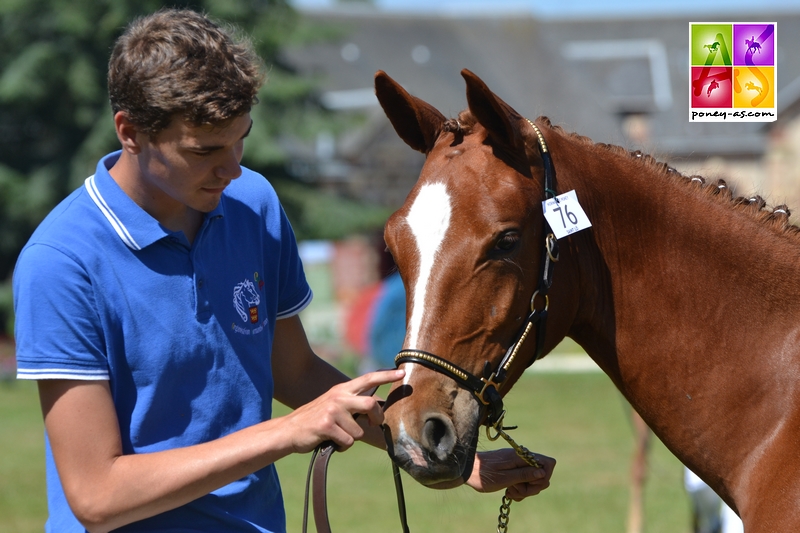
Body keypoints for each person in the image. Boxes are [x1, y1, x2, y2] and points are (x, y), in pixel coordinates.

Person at [12, 8, 555, 533]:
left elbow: (295, 372)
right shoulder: (61, 265)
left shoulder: (252, 203)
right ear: (130, 131)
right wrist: (287, 433)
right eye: (205, 151)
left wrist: (430, 446)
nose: (232, 167)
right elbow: (97, 498)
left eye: (241, 139)